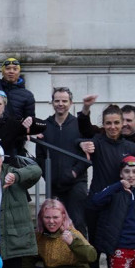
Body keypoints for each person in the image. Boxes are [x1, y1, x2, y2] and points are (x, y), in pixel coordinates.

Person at [79, 104, 135, 268]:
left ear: (123, 124)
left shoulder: (131, 147)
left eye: (116, 123)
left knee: (118, 254)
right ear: (102, 125)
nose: (112, 127)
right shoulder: (97, 142)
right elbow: (81, 133)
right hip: (97, 205)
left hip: (120, 208)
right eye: (108, 123)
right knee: (94, 252)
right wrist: (81, 144)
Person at [36, 87, 91, 235]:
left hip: (76, 183)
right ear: (52, 103)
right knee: (54, 223)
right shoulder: (44, 125)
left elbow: (87, 156)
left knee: (77, 222)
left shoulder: (79, 125)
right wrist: (49, 176)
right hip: (54, 184)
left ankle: (81, 257)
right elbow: (40, 156)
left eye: (64, 101)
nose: (61, 104)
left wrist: (74, 172)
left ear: (71, 103)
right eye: (57, 100)